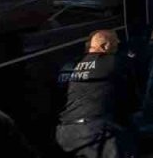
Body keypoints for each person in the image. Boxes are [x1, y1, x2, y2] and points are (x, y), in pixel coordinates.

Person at [56, 29, 137, 158]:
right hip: (95, 131)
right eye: (116, 45)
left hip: (66, 133)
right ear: (105, 46)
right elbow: (134, 66)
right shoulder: (111, 62)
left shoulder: (70, 66)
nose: (117, 47)